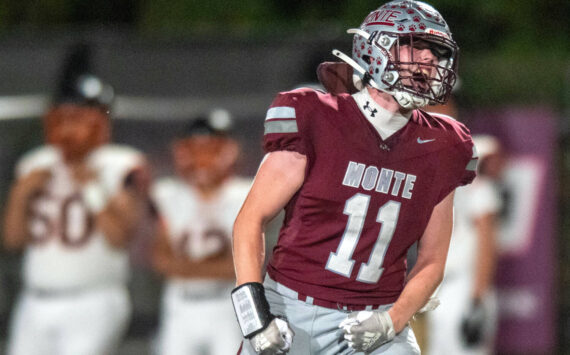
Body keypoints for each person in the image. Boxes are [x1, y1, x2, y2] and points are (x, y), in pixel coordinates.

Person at [230, 1, 478, 354]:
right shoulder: (316, 115)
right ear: (375, 47)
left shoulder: (445, 145)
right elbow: (249, 221)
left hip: (376, 318)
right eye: (416, 45)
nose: (427, 59)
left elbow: (432, 261)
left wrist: (391, 321)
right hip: (292, 310)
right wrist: (254, 316)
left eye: (437, 52)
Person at [2, 44, 151, 355]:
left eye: (78, 117)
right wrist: (20, 194)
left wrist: (92, 189)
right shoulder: (35, 164)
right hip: (35, 300)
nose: (69, 127)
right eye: (63, 117)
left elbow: (120, 238)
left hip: (94, 300)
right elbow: (13, 240)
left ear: (100, 123)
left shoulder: (121, 165)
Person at [151, 110, 250, 355]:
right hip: (180, 304)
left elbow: (245, 265)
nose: (203, 158)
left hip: (227, 304)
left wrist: (186, 269)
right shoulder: (168, 194)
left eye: (210, 149)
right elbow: (161, 260)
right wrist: (211, 269)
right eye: (196, 149)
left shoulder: (245, 193)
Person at [426, 134, 503, 355]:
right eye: (487, 159)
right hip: (455, 289)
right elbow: (487, 244)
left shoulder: (472, 191)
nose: (492, 165)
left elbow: (486, 246)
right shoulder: (475, 190)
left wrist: (477, 298)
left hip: (464, 286)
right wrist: (477, 298)